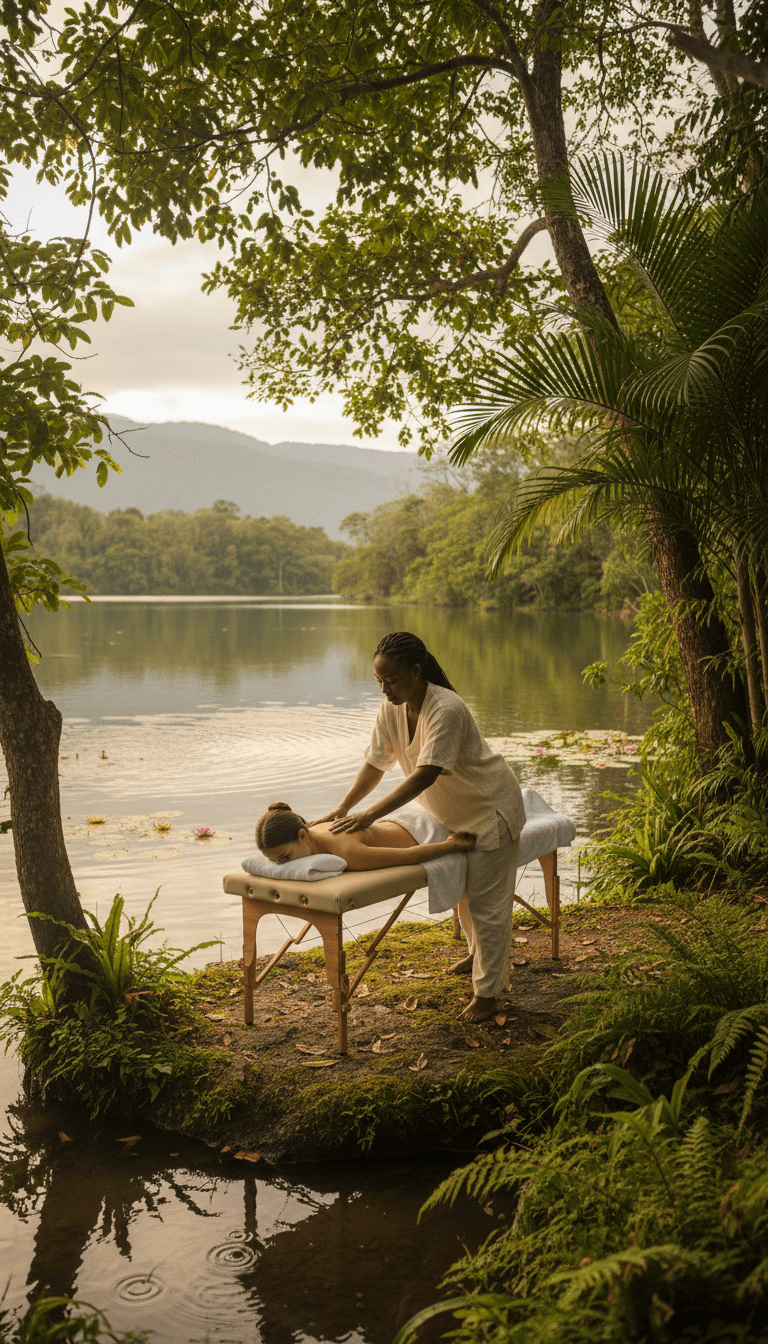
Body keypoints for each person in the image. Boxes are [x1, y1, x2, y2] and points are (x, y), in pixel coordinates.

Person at [311, 630, 526, 1024]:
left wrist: (369, 816)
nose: (384, 690)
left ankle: (488, 993)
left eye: (390, 681)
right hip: (454, 813)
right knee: (465, 894)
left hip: (489, 807)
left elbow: (425, 775)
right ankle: (480, 958)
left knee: (487, 905)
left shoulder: (446, 709)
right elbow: (376, 764)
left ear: (415, 670)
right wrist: (342, 807)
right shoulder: (391, 710)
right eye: (378, 681)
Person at [256, 801, 476, 869]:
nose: (280, 865)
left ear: (303, 836)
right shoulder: (313, 826)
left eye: (284, 857)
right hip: (402, 817)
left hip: (426, 828)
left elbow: (410, 856)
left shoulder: (348, 853)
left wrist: (451, 845)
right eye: (273, 861)